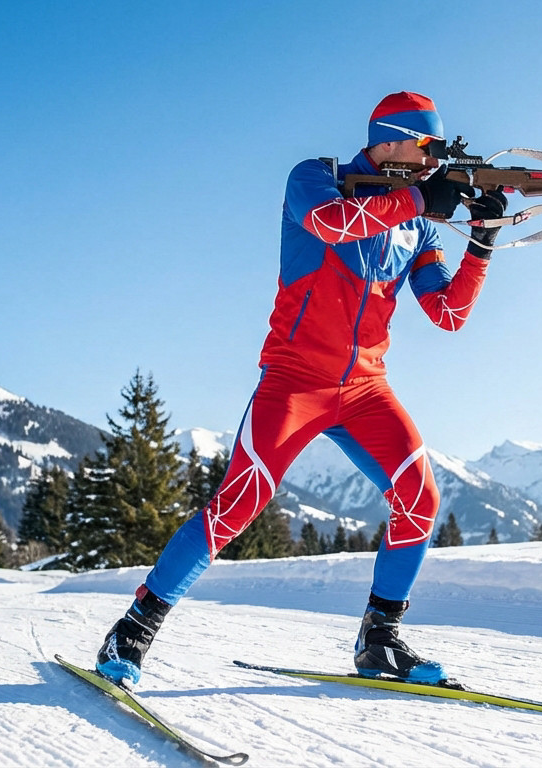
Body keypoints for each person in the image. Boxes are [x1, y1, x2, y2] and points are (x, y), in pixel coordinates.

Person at [95, 91, 507, 686]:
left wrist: (483, 240)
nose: (430, 163)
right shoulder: (316, 178)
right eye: (425, 150)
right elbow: (332, 225)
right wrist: (418, 197)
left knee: (420, 499)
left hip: (366, 387)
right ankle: (132, 630)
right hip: (293, 381)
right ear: (388, 139)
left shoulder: (415, 224)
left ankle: (380, 641)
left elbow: (447, 312)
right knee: (236, 507)